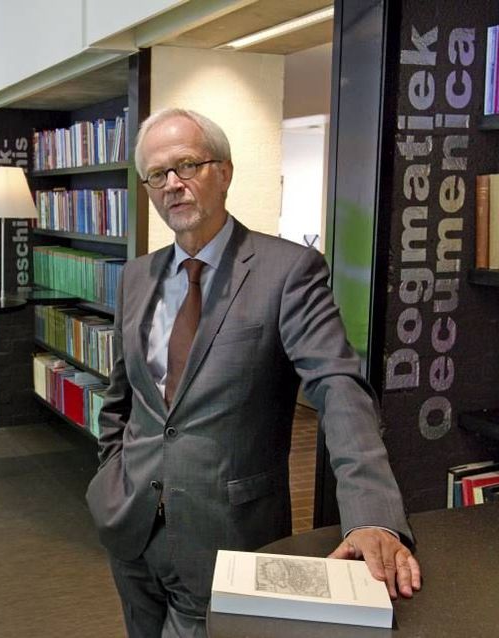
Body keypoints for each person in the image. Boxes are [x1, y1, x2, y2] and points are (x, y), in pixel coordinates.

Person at [85, 108, 421, 637]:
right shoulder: (137, 275)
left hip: (229, 533)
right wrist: (111, 475)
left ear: (224, 171)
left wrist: (372, 513)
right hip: (131, 524)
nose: (171, 185)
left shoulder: (288, 271)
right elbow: (121, 396)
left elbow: (338, 387)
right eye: (156, 174)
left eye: (187, 165)